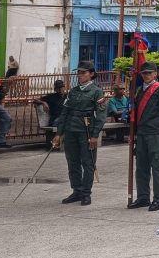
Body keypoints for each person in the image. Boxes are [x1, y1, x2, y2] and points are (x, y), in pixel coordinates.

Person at [53, 61, 107, 205]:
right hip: (71, 130)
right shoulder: (73, 91)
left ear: (91, 74)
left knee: (88, 162)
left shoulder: (97, 91)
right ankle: (76, 190)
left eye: (83, 73)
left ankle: (86, 193)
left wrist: (95, 135)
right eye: (79, 73)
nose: (80, 75)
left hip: (86, 131)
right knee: (72, 162)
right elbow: (65, 112)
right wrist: (59, 133)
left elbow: (101, 115)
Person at [129, 62, 159, 211]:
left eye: (149, 73)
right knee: (141, 167)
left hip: (155, 133)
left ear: (155, 74)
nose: (146, 76)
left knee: (157, 167)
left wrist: (158, 121)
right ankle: (143, 197)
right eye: (144, 73)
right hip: (142, 133)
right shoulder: (139, 91)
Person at [33, 79, 68, 148]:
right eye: (59, 88)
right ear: (55, 89)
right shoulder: (51, 97)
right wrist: (43, 102)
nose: (61, 89)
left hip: (64, 119)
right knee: (63, 119)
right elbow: (35, 100)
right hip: (55, 120)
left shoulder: (67, 96)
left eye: (62, 87)